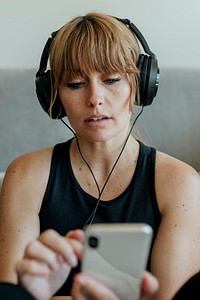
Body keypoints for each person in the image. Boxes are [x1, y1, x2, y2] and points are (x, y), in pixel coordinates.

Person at [0, 11, 200, 300]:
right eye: (76, 84)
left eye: (112, 79)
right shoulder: (25, 175)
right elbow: (11, 293)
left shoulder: (180, 182)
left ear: (141, 85)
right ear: (54, 95)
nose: (95, 98)